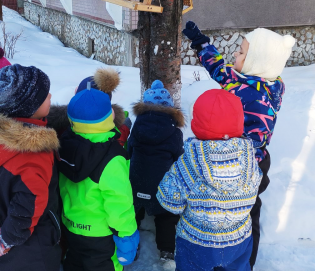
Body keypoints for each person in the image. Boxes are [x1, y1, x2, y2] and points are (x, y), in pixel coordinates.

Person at [183, 22, 295, 268]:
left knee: (246, 213)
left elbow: (253, 142)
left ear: (257, 62)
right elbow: (219, 70)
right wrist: (201, 43)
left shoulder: (257, 97)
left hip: (248, 166)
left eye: (242, 52)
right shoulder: (249, 81)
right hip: (241, 159)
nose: (235, 53)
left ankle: (244, 261)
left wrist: (230, 166)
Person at [157, 89, 263, 271]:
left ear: (197, 124)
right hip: (238, 240)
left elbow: (169, 200)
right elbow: (255, 187)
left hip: (197, 242)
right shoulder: (249, 159)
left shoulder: (190, 163)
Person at [0, 64, 62, 271]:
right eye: (44, 96)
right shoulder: (33, 154)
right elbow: (26, 208)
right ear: (28, 108)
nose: (50, 96)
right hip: (33, 252)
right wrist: (4, 240)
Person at [58, 85, 139, 271]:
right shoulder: (113, 157)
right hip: (101, 233)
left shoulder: (64, 145)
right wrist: (126, 234)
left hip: (71, 227)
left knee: (75, 263)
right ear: (110, 116)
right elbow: (119, 201)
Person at [128, 80, 184, 261]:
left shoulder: (137, 126)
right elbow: (178, 158)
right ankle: (167, 250)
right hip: (161, 183)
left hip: (136, 179)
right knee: (166, 215)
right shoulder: (174, 132)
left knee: (132, 212)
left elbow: (129, 151)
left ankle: (130, 247)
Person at [47, 68, 131, 145]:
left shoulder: (54, 126)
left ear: (76, 95)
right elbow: (115, 143)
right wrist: (124, 128)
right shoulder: (115, 129)